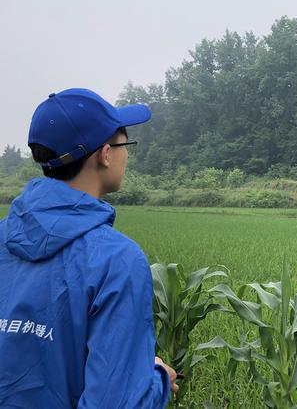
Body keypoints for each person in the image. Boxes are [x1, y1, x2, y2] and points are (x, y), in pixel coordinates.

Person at [0, 88, 178, 408]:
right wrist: (154, 377)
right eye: (126, 145)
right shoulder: (117, 261)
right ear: (106, 154)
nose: (127, 156)